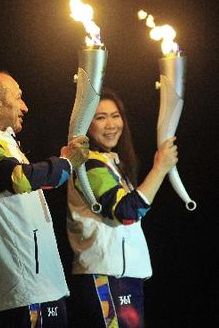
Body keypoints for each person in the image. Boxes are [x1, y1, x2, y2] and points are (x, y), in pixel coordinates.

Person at [0, 70, 89, 327]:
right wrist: (65, 163)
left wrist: (66, 163)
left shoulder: (5, 144)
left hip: (42, 285)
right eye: (18, 98)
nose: (25, 106)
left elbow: (29, 183)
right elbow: (18, 179)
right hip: (26, 289)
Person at [66, 87, 178, 328]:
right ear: (86, 124)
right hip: (105, 277)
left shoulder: (111, 163)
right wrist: (160, 169)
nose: (111, 124)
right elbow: (126, 213)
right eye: (101, 117)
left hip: (124, 276)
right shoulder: (90, 165)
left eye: (115, 116)